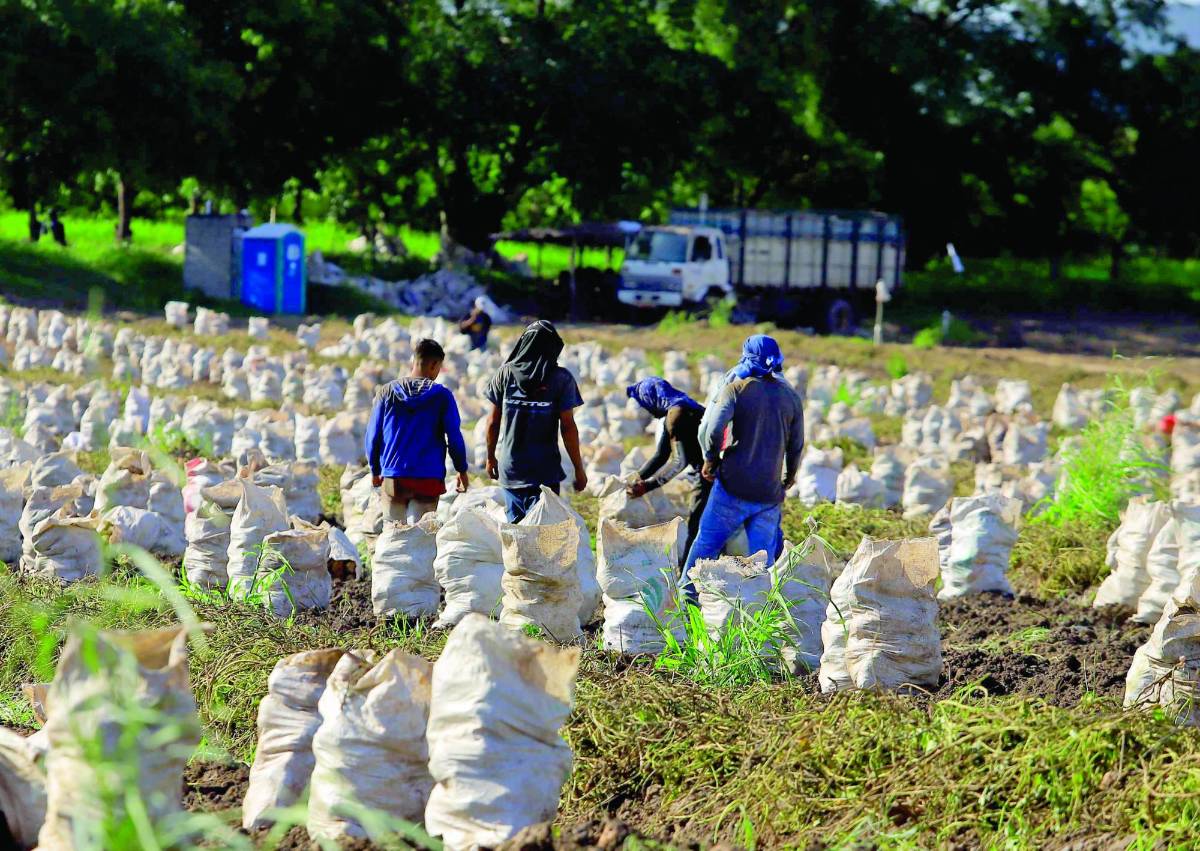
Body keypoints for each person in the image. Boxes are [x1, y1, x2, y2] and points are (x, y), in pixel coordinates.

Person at [683, 335, 804, 573]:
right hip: (768, 494)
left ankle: (686, 600)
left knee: (705, 548)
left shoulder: (736, 390)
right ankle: (763, 607)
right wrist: (789, 476)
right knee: (763, 562)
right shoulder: (791, 397)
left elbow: (713, 430)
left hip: (732, 488)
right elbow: (796, 445)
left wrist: (710, 459)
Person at [485, 320, 587, 522]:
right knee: (544, 536)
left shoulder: (505, 374)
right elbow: (568, 428)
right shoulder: (561, 379)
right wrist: (578, 468)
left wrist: (491, 457)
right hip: (545, 472)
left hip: (511, 468)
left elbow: (492, 422)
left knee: (516, 533)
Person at [365, 337, 469, 524]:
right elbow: (454, 437)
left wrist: (375, 470)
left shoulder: (387, 392)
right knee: (422, 536)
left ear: (414, 361)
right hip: (428, 477)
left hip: (394, 476)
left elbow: (373, 436)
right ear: (434, 364)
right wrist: (462, 469)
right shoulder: (442, 396)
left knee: (394, 535)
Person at [625, 377, 709, 556]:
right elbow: (661, 455)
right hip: (723, 470)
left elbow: (679, 462)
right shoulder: (685, 406)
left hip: (709, 475)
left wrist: (648, 486)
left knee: (696, 526)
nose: (647, 409)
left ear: (651, 397)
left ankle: (688, 575)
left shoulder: (676, 416)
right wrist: (637, 476)